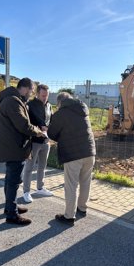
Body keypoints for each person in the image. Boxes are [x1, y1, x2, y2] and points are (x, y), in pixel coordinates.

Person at [0, 78, 45, 225]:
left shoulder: (11, 99)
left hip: (12, 146)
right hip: (14, 147)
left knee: (10, 179)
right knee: (13, 181)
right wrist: (39, 132)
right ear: (26, 88)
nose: (31, 94)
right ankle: (12, 214)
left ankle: (9, 207)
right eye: (32, 91)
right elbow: (23, 125)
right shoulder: (13, 101)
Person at [47, 92, 96, 225]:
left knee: (71, 185)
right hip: (90, 151)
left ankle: (69, 216)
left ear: (59, 103)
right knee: (86, 182)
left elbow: (52, 134)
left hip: (73, 154)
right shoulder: (82, 109)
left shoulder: (61, 114)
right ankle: (82, 208)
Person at [22, 84, 54, 202]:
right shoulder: (29, 105)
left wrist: (49, 129)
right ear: (37, 94)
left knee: (42, 166)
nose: (45, 98)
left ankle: (40, 188)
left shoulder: (49, 106)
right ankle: (26, 192)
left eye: (47, 95)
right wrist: (39, 129)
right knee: (29, 167)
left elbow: (51, 120)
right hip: (34, 141)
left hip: (46, 141)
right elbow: (26, 123)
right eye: (43, 95)